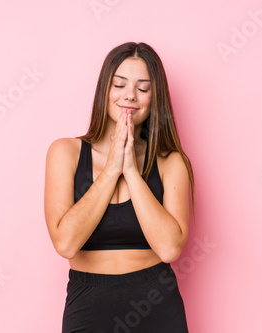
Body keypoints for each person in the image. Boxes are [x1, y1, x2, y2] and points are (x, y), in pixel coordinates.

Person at [44, 41, 195, 332]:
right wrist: (112, 169)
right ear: (105, 90)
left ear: (155, 97)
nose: (130, 96)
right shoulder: (65, 152)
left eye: (143, 88)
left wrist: (131, 172)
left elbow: (168, 249)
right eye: (120, 84)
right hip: (88, 303)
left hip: (156, 302)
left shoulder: (170, 162)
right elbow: (66, 243)